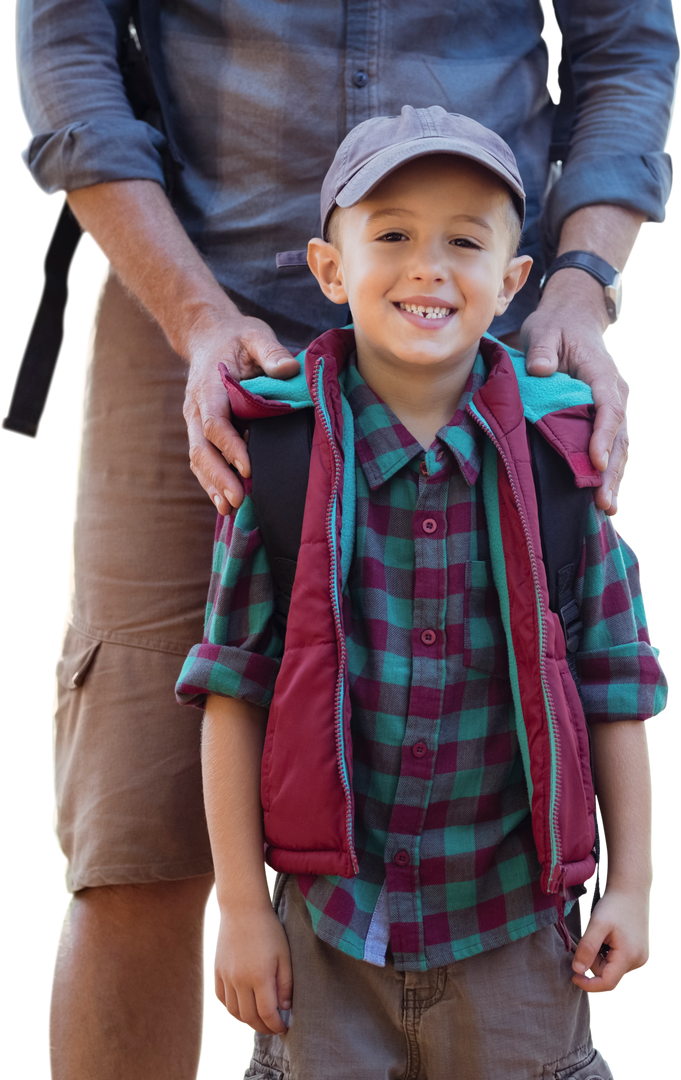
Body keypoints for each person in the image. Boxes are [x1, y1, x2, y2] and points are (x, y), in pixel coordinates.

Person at [11, 2, 677, 1076]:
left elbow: (630, 41)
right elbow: (66, 44)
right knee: (137, 839)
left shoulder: (499, 310)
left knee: (499, 825)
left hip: (471, 335)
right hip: (189, 303)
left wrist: (581, 281)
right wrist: (193, 316)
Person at [176, 107, 669, 1079]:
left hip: (518, 937)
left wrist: (634, 887)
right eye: (392, 235)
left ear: (513, 282)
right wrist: (239, 910)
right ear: (329, 269)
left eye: (465, 241)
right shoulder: (281, 471)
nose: (428, 267)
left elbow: (619, 691)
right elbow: (234, 697)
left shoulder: (562, 474)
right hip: (330, 938)